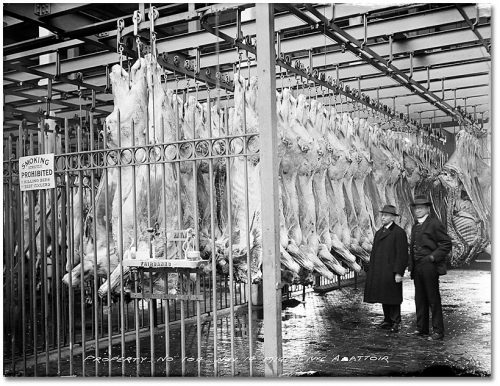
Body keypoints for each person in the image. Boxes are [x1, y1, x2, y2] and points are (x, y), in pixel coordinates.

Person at [408, 195, 452, 341]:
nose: (418, 210)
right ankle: (422, 329)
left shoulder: (434, 224)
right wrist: (411, 266)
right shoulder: (415, 226)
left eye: (421, 208)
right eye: (416, 208)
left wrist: (433, 257)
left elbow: (446, 244)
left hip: (429, 266)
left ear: (427, 209)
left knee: (433, 298)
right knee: (420, 299)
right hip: (417, 267)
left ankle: (438, 331)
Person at [364, 205, 408, 333]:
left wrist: (399, 272)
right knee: (384, 295)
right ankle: (387, 319)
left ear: (393, 218)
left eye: (386, 215)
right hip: (380, 270)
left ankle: (396, 321)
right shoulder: (379, 232)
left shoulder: (399, 233)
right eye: (382, 215)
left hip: (391, 270)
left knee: (393, 297)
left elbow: (402, 254)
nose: (383, 217)